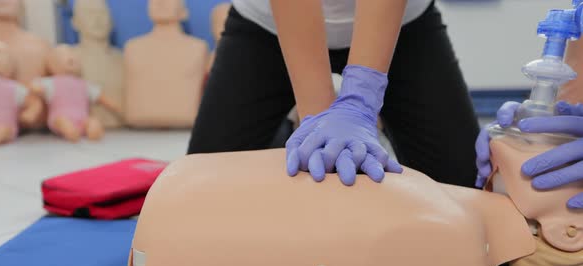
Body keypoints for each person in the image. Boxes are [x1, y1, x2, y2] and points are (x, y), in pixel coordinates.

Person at [188, 0, 480, 187]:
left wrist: (361, 99)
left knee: (465, 183)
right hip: (268, 25)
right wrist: (316, 121)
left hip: (403, 23)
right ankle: (284, 132)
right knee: (201, 188)